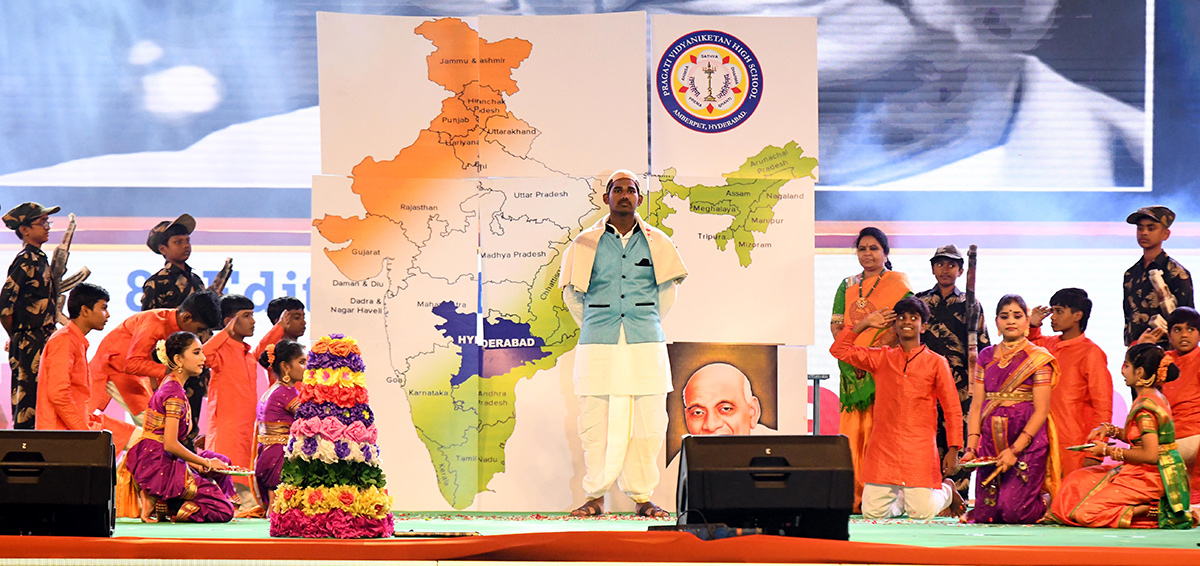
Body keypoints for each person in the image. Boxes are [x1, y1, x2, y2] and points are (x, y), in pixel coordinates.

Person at [558, 169, 687, 518]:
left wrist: (641, 322)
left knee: (649, 423)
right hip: (598, 342)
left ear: (640, 199)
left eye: (631, 190)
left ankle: (643, 497)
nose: (625, 195)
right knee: (595, 422)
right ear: (606, 198)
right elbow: (573, 296)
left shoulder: (658, 242)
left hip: (646, 342)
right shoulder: (585, 243)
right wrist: (600, 324)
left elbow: (667, 296)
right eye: (618, 190)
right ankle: (594, 497)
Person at [830, 297, 965, 519]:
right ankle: (902, 500)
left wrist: (954, 448)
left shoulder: (936, 362)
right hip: (884, 447)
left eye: (914, 317)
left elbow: (952, 408)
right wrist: (865, 323)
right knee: (872, 514)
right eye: (901, 317)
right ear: (894, 325)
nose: (907, 322)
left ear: (924, 325)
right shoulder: (882, 357)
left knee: (922, 514)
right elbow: (840, 350)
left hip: (918, 448)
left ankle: (947, 490)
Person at [1046, 344, 1195, 529]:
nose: (1122, 371)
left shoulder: (1146, 407)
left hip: (1151, 476)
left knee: (1085, 514)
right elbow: (1140, 438)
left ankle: (1156, 510)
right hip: (1143, 471)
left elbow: (1150, 455)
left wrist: (1107, 450)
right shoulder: (1152, 397)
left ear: (1139, 372)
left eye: (1126, 366)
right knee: (1076, 481)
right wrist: (1110, 430)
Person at [830, 226, 912, 511]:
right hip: (851, 368)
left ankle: (881, 498)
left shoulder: (898, 283)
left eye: (874, 248)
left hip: (882, 367)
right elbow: (836, 325)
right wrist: (854, 358)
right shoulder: (847, 284)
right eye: (862, 248)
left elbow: (901, 326)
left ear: (886, 253)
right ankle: (853, 497)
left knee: (880, 432)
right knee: (854, 435)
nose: (867, 253)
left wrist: (871, 357)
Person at [962, 294, 1060, 524]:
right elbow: (976, 406)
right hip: (990, 440)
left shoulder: (1038, 358)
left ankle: (1047, 500)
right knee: (987, 515)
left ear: (1027, 321)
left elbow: (1041, 410)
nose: (1011, 321)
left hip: (1026, 440)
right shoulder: (986, 356)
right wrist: (971, 447)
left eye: (1017, 316)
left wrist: (1014, 451)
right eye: (1004, 316)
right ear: (996, 321)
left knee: (1014, 513)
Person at [125, 331, 236, 523]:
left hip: (159, 456)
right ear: (178, 359)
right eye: (196, 352)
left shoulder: (172, 385)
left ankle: (168, 499)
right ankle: (165, 503)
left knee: (222, 462)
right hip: (159, 463)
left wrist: (204, 464)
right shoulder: (173, 392)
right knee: (224, 510)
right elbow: (169, 444)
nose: (203, 358)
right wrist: (205, 465)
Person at [914, 244, 990, 499]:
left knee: (958, 439)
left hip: (961, 386)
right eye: (940, 264)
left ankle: (956, 497)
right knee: (926, 437)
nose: (945, 270)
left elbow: (984, 348)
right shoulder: (920, 302)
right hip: (925, 384)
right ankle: (926, 494)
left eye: (951, 265)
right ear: (932, 268)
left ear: (960, 270)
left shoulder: (972, 304)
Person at [87, 290, 222, 428]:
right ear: (186, 318)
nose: (197, 334)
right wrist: (171, 371)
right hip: (114, 368)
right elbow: (131, 364)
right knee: (156, 427)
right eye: (199, 329)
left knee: (160, 427)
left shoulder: (175, 325)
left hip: (133, 374)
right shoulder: (154, 323)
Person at [1028, 288, 1113, 479]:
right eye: (1053, 311)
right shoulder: (1047, 345)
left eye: (1059, 311)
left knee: (1068, 501)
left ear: (1077, 316)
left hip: (1074, 442)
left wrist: (1093, 453)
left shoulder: (1091, 353)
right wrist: (1032, 324)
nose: (1052, 317)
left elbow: (1103, 406)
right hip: (1042, 439)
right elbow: (1024, 348)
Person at [1, 202, 61, 429]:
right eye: (42, 222)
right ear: (24, 230)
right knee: (27, 405)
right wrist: (18, 335)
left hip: (43, 340)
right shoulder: (25, 260)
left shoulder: (40, 259)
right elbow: (5, 308)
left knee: (44, 401)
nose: (47, 227)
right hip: (29, 342)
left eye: (48, 222)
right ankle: (23, 457)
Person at [203, 294, 259, 494]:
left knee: (245, 481)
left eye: (252, 315)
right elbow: (202, 355)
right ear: (229, 322)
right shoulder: (219, 350)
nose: (253, 321)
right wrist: (225, 333)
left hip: (248, 427)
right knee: (225, 481)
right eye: (246, 316)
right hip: (227, 428)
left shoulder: (247, 352)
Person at [1148, 307, 1200, 504]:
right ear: (1168, 334)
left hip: (1194, 436)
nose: (1184, 335)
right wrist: (1144, 347)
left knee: (1147, 457)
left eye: (1191, 329)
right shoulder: (1164, 359)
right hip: (1168, 434)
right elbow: (1134, 375)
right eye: (1177, 330)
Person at [1124, 205, 1193, 350]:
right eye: (1140, 228)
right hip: (1137, 354)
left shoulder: (1177, 273)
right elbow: (1128, 318)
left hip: (1167, 354)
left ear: (1166, 234)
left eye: (1151, 228)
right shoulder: (1130, 274)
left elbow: (1188, 322)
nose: (1144, 233)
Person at [253, 339, 303, 511]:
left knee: (275, 509)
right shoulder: (287, 393)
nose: (307, 368)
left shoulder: (272, 390)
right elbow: (310, 419)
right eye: (302, 362)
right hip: (279, 457)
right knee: (279, 511)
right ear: (286, 367)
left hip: (267, 455)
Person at [681, 363, 771, 436]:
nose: (711, 426)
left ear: (753, 412)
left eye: (726, 409)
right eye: (698, 413)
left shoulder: (782, 453)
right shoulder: (684, 456)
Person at [140, 214, 208, 311]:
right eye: (178, 242)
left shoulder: (195, 279)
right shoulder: (157, 282)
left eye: (187, 241)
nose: (186, 246)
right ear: (163, 249)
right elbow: (147, 320)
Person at [253, 296, 306, 386]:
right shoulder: (274, 350)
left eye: (303, 317)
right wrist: (280, 326)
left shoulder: (304, 351)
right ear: (279, 321)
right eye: (297, 318)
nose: (303, 322)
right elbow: (259, 355)